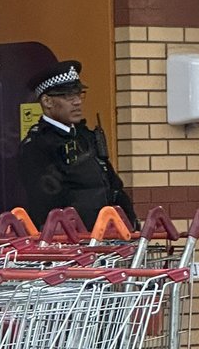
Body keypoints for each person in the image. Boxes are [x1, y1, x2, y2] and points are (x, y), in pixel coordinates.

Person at [17, 59, 137, 231]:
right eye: (68, 96)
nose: (77, 102)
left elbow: (113, 185)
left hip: (107, 235)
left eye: (78, 95)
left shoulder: (85, 136)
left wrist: (130, 221)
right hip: (71, 242)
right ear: (47, 101)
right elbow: (44, 202)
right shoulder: (38, 145)